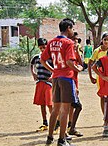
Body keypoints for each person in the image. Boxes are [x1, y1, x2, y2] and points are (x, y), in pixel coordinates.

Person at [40, 18, 83, 146]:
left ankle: (49, 137)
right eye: (73, 28)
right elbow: (70, 62)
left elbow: (43, 60)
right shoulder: (68, 43)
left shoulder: (52, 42)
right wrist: (78, 69)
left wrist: (53, 70)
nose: (73, 31)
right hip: (66, 78)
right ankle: (61, 140)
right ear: (68, 28)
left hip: (56, 78)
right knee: (65, 110)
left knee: (55, 109)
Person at [30, 38, 53, 132]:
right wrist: (33, 73)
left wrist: (53, 76)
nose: (43, 49)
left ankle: (55, 123)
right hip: (40, 82)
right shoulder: (37, 57)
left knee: (50, 104)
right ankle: (45, 123)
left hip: (49, 83)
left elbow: (56, 67)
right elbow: (31, 64)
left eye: (44, 47)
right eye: (41, 48)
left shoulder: (51, 57)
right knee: (42, 104)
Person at [88, 34, 108, 115]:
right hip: (100, 76)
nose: (106, 42)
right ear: (102, 40)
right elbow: (90, 63)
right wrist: (90, 76)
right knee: (102, 96)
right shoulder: (97, 50)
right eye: (105, 39)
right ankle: (104, 115)